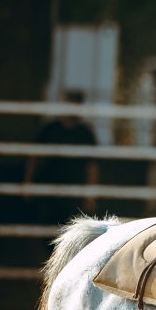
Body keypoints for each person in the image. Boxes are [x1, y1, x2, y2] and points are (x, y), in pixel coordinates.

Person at [24, 90, 99, 223]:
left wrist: (90, 196)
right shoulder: (49, 129)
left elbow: (92, 166)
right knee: (45, 224)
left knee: (68, 227)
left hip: (73, 191)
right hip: (48, 186)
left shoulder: (85, 134)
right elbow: (34, 157)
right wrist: (28, 183)